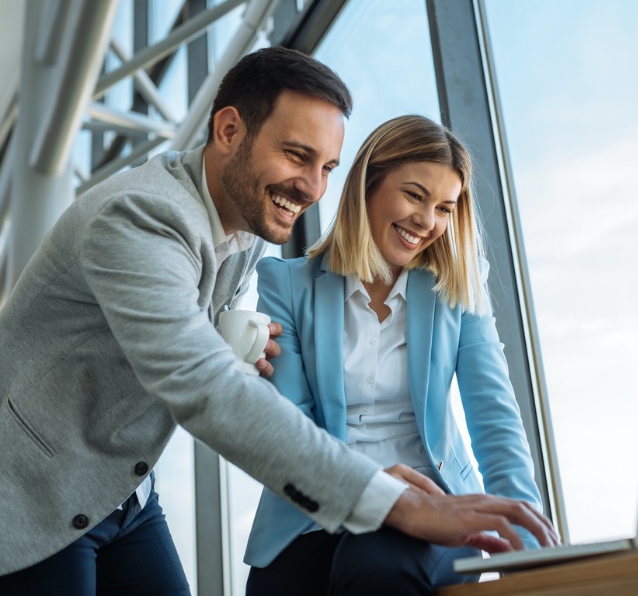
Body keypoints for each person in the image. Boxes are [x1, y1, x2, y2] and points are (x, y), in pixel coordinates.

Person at [0, 48, 555, 594]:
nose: (313, 188)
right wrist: (397, 503)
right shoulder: (141, 217)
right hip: (32, 492)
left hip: (124, 494)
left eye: (327, 167)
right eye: (296, 155)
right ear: (228, 131)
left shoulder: (242, 229)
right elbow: (204, 386)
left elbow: (183, 343)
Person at [244, 115, 558, 596]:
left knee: (376, 568)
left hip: (434, 505)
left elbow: (495, 419)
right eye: (414, 195)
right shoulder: (287, 284)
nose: (427, 222)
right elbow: (292, 424)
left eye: (445, 208)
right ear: (368, 185)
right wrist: (366, 486)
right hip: (313, 510)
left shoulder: (457, 289)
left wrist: (530, 545)